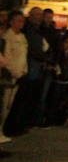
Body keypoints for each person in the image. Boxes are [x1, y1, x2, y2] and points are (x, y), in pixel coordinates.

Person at [0, 11, 27, 143]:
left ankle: (2, 129)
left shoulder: (22, 37)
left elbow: (23, 56)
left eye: (22, 21)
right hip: (9, 74)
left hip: (19, 74)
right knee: (4, 104)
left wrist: (24, 69)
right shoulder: (7, 36)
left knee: (9, 105)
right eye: (18, 20)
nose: (20, 23)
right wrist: (11, 70)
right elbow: (7, 56)